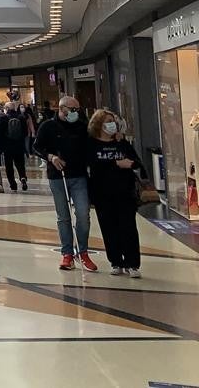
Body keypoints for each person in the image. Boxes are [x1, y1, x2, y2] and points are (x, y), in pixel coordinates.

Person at [34, 95, 97, 272]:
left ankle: (83, 251)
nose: (76, 113)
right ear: (62, 109)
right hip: (57, 176)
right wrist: (51, 157)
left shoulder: (82, 127)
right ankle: (67, 253)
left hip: (79, 176)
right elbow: (37, 146)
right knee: (64, 216)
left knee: (83, 214)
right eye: (73, 109)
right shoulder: (48, 126)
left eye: (77, 109)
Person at [87, 109, 146, 278]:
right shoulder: (91, 144)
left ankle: (132, 263)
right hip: (102, 193)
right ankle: (116, 261)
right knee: (109, 228)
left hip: (125, 191)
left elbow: (135, 162)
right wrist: (116, 163)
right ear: (99, 124)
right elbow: (93, 165)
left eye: (112, 121)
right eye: (107, 121)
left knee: (128, 227)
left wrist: (129, 164)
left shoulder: (122, 142)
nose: (111, 124)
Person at [3, 102, 30, 191]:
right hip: (19, 145)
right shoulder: (21, 117)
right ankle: (22, 177)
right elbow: (26, 132)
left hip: (7, 146)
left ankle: (13, 184)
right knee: (20, 164)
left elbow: (0, 133)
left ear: (6, 108)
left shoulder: (3, 118)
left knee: (9, 166)